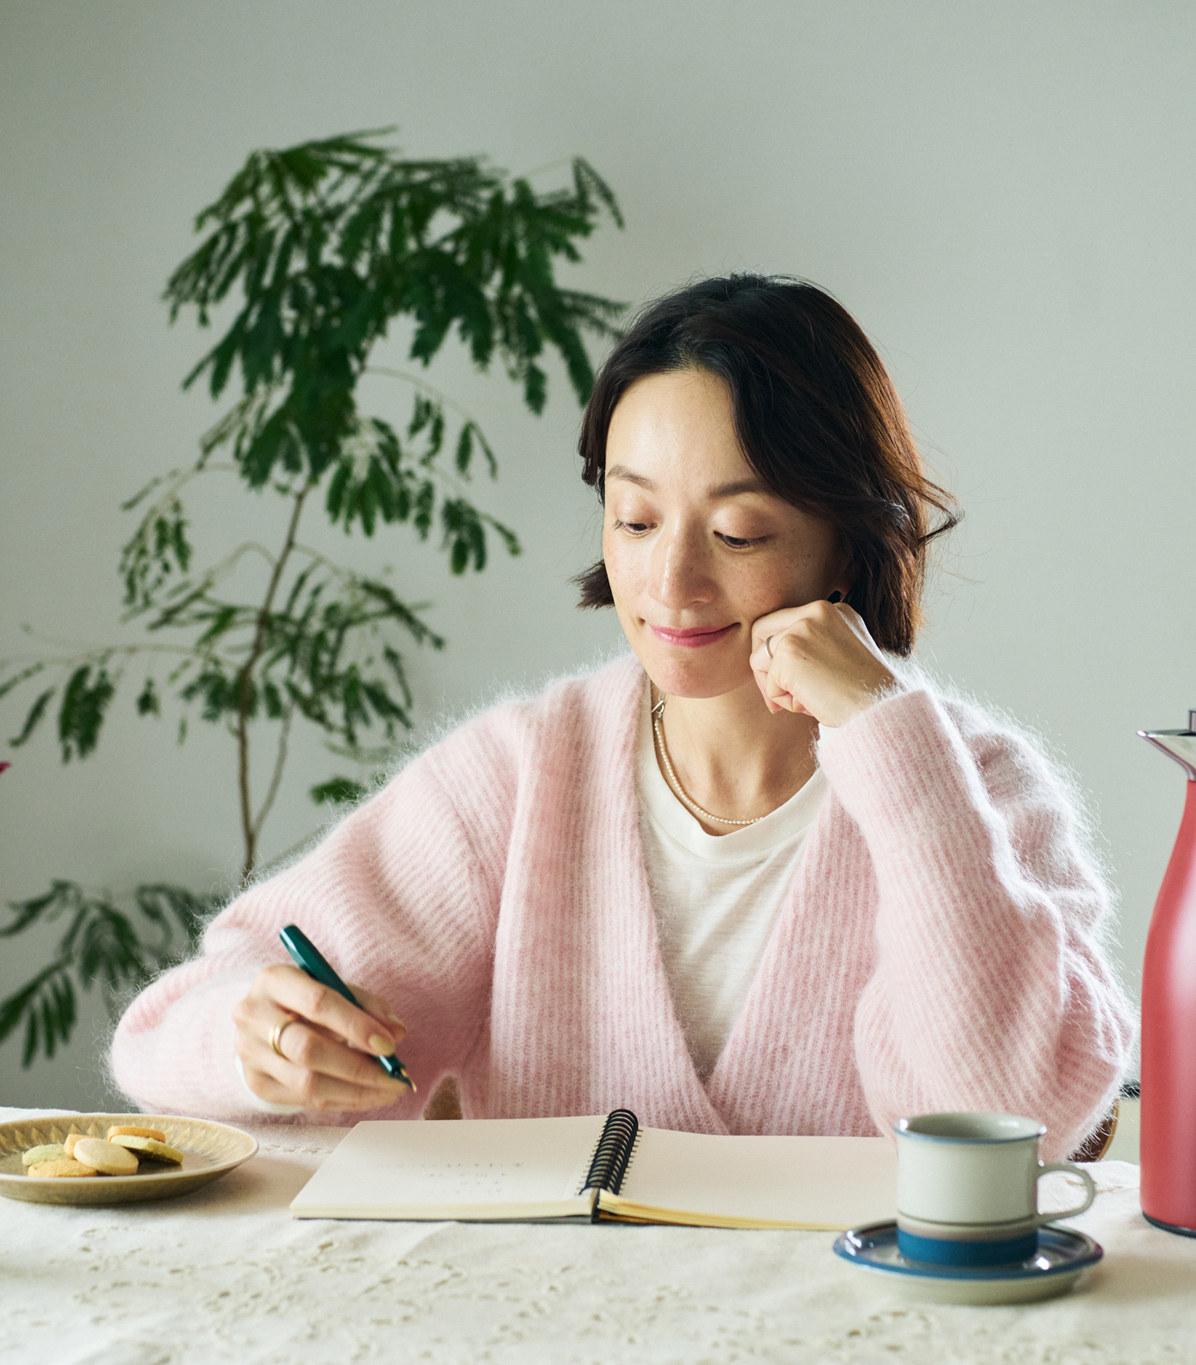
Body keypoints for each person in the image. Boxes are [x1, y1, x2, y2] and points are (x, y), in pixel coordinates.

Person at [109, 274, 1133, 1157]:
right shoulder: (521, 776)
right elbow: (174, 1033)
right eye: (635, 519)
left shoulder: (979, 787)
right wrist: (254, 1040)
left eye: (737, 532)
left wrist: (891, 740)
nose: (671, 581)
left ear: (846, 540)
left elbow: (1012, 1117)